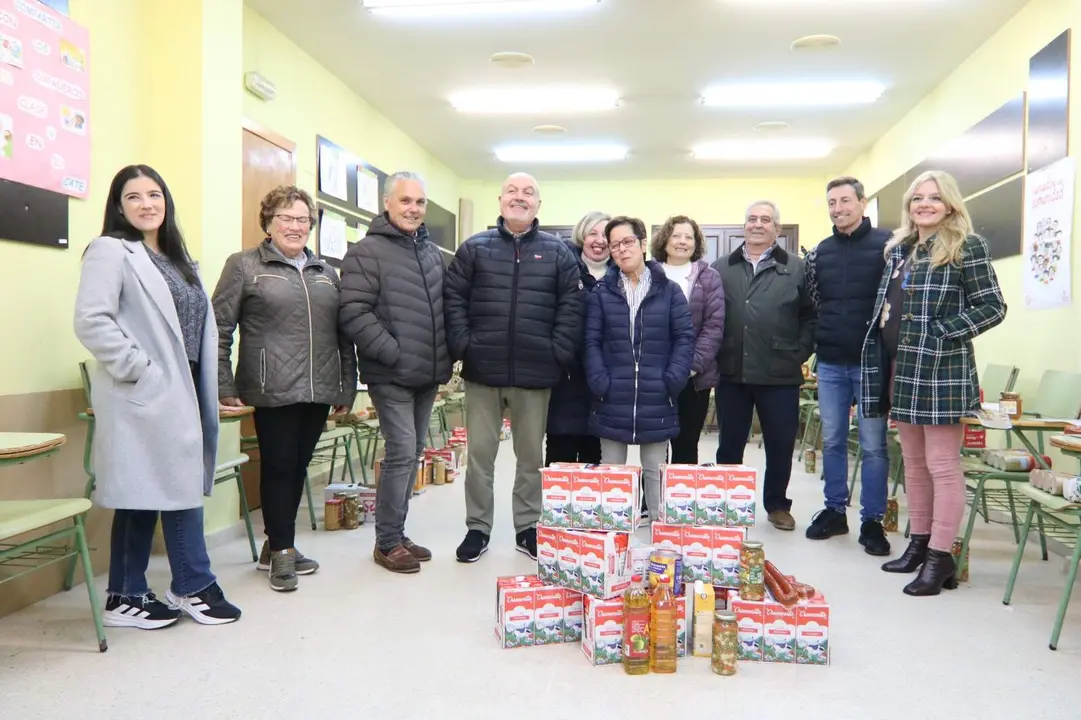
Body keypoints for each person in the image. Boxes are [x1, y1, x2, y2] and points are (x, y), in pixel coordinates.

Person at [73, 164, 241, 627]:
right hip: (146, 391)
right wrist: (140, 370)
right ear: (118, 206)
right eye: (134, 197)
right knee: (166, 484)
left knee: (144, 491)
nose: (147, 204)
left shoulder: (177, 258)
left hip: (182, 386)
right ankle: (193, 584)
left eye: (155, 194)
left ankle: (125, 595)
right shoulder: (110, 250)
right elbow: (92, 319)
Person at [861, 170, 1006, 596]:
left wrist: (943, 332)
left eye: (934, 198)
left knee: (943, 466)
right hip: (901, 369)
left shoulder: (966, 246)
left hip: (942, 372)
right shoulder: (900, 251)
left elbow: (993, 306)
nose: (924, 205)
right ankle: (919, 544)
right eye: (917, 199)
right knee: (915, 464)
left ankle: (941, 557)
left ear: (950, 204)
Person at [212, 185, 357, 592]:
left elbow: (343, 335)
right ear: (268, 222)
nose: (295, 226)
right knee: (277, 467)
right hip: (269, 385)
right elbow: (219, 330)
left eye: (302, 219)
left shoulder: (327, 273)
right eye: (285, 218)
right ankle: (282, 553)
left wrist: (346, 385)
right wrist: (222, 382)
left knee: (297, 469)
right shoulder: (243, 266)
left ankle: (277, 545)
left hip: (319, 386)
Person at [444, 172, 584, 562]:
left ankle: (527, 526)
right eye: (512, 191)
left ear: (539, 204)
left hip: (535, 374)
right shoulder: (474, 249)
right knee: (480, 456)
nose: (519, 198)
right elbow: (453, 298)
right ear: (500, 200)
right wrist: (464, 345)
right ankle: (478, 527)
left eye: (528, 193)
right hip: (482, 371)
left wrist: (556, 351)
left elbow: (571, 310)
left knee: (530, 457)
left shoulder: (558, 253)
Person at [338, 171, 451, 574]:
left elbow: (442, 309)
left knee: (414, 451)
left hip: (426, 372)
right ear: (387, 203)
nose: (413, 209)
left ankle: (398, 533)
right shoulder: (366, 251)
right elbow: (353, 311)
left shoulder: (430, 252)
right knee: (402, 450)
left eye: (420, 202)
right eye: (405, 201)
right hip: (391, 372)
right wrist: (394, 353)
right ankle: (386, 542)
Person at [712, 201, 815, 532]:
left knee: (781, 443)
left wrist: (797, 353)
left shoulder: (798, 268)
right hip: (733, 371)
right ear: (744, 226)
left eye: (765, 220)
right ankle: (728, 504)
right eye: (752, 219)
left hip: (780, 372)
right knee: (730, 443)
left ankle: (777, 505)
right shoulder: (721, 267)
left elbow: (811, 316)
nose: (758, 224)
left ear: (777, 229)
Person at [803, 177, 892, 556]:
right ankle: (834, 510)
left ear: (862, 202)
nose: (838, 209)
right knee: (834, 439)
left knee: (872, 445)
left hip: (872, 362)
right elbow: (813, 302)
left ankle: (872, 521)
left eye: (844, 201)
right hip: (831, 362)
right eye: (831, 203)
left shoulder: (889, 246)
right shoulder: (820, 252)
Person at [585, 216, 695, 522]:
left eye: (628, 242)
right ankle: (613, 541)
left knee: (655, 473)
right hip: (612, 395)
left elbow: (685, 338)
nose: (621, 250)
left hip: (657, 394)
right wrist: (599, 380)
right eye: (614, 245)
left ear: (643, 244)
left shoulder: (670, 291)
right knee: (612, 477)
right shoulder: (602, 293)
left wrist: (672, 379)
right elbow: (591, 341)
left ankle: (661, 542)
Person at [651, 215, 725, 464]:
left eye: (688, 237)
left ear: (696, 243)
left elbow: (713, 326)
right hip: (654, 376)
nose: (682, 242)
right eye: (676, 235)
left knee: (686, 447)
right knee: (654, 448)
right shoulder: (648, 273)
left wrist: (691, 367)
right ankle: (650, 502)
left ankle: (680, 502)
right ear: (664, 240)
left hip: (694, 379)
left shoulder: (709, 277)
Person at [545, 211, 611, 466]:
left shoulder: (621, 275)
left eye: (605, 234)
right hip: (565, 376)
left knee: (595, 461)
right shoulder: (562, 267)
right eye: (592, 233)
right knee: (560, 457)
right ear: (581, 236)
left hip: (604, 381)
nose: (599, 240)